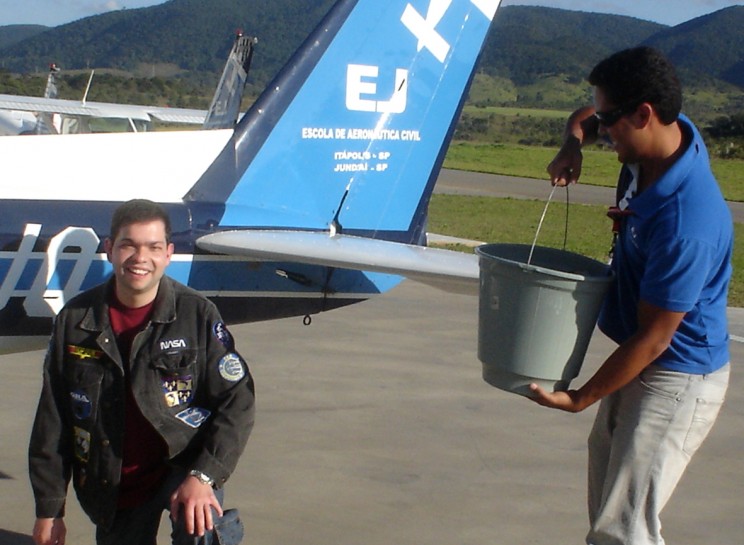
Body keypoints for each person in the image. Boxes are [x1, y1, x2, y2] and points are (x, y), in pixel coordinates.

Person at [530, 47, 733, 545]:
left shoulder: (687, 220)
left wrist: (579, 398)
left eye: (608, 122)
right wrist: (572, 142)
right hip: (640, 364)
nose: (603, 132)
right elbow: (583, 118)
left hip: (676, 377)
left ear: (643, 115)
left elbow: (654, 338)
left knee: (624, 532)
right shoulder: (661, 134)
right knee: (607, 517)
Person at [29, 199, 255, 545]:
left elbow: (237, 402)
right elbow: (53, 418)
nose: (140, 258)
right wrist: (49, 510)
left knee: (201, 526)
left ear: (168, 253)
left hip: (181, 465)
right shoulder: (75, 321)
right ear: (110, 250)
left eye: (152, 247)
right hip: (113, 482)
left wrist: (204, 475)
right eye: (128, 245)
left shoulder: (197, 314)